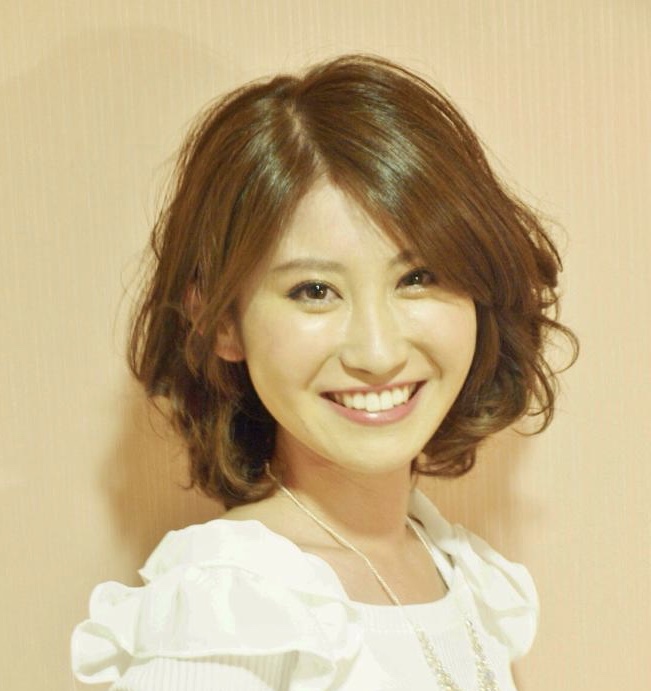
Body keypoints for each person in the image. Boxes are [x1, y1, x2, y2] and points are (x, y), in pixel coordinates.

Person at [71, 54, 577, 690]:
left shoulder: (464, 575)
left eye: (418, 277)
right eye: (314, 291)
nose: (377, 352)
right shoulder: (225, 615)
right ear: (221, 321)